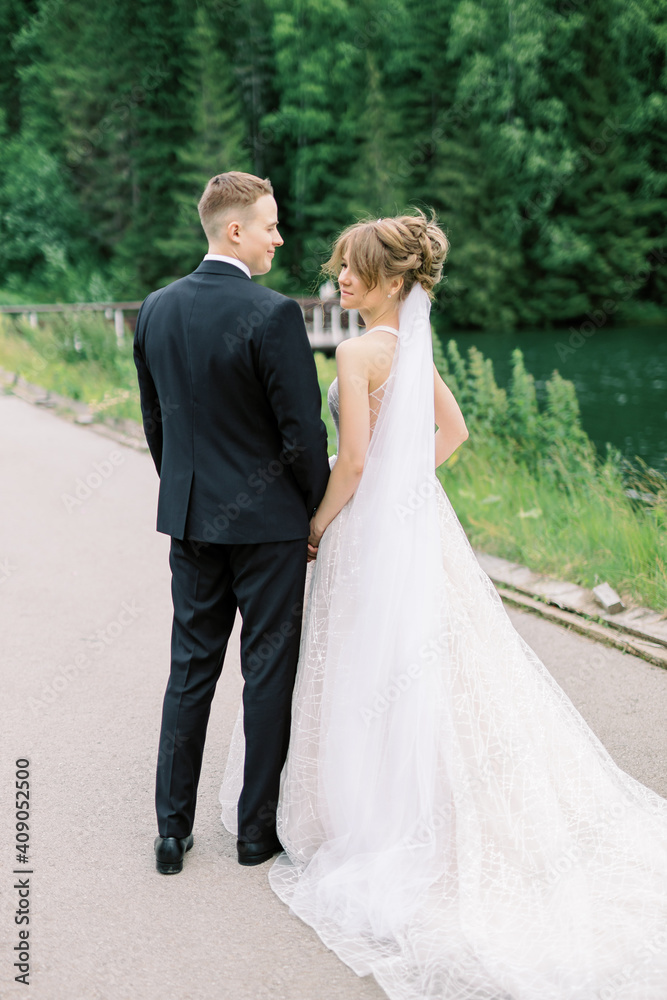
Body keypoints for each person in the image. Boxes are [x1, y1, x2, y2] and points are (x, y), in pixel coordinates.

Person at [221, 212, 667, 998]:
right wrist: (407, 485)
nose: (340, 279)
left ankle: (374, 814)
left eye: (354, 269)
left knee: (369, 661)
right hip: (416, 526)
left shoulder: (360, 351)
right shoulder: (407, 349)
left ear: (393, 280)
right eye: (338, 267)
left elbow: (353, 461)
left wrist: (320, 523)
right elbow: (451, 433)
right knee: (430, 656)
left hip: (363, 530)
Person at [134, 171, 330, 873]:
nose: (280, 236)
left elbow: (156, 425)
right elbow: (301, 433)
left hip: (190, 519)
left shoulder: (154, 309)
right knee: (267, 671)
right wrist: (313, 511)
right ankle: (254, 834)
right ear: (235, 229)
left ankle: (170, 829)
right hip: (269, 526)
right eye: (271, 225)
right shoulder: (273, 313)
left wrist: (185, 489)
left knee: (189, 670)